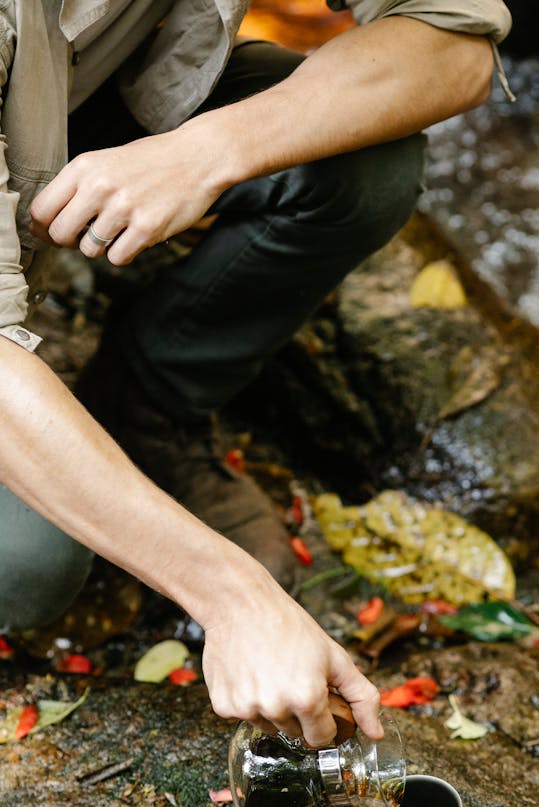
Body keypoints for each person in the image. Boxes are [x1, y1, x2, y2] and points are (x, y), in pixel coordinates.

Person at [0, 0, 511, 748]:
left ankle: (147, 411)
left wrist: (206, 152)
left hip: (72, 94)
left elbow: (457, 45)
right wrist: (233, 595)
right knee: (30, 565)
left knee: (359, 157)